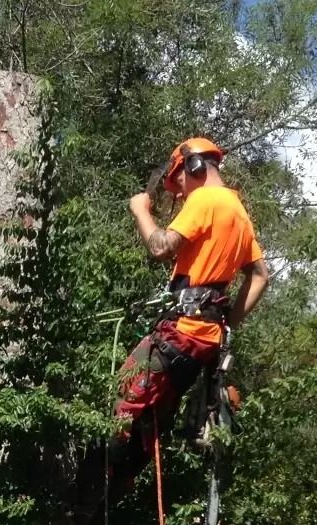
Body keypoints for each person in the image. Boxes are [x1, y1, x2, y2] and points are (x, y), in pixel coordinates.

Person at [108, 137, 269, 498]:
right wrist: (226, 323)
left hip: (181, 332)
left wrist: (140, 211)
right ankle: (118, 485)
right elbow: (260, 276)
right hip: (203, 341)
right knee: (152, 416)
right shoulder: (239, 212)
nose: (179, 194)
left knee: (119, 399)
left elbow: (160, 246)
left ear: (193, 166)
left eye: (178, 182)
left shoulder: (206, 199)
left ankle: (92, 488)